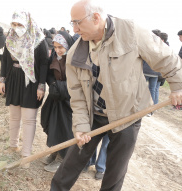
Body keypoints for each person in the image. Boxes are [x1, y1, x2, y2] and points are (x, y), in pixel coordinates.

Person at [50, 0, 182, 190]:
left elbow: (165, 57)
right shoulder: (74, 55)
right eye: (72, 23)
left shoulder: (131, 32)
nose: (75, 29)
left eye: (77, 22)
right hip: (93, 114)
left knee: (115, 173)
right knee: (71, 162)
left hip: (127, 113)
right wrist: (80, 125)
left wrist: (178, 86)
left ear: (96, 17)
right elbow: (77, 96)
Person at [0, 10, 49, 168]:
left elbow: (43, 64)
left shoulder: (39, 40)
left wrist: (41, 85)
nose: (16, 27)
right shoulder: (10, 39)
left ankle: (26, 155)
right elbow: (5, 60)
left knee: (28, 119)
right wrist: (2, 80)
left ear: (27, 23)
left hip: (31, 81)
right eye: (14, 24)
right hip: (14, 79)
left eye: (19, 24)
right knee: (14, 116)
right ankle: (13, 145)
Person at [40, 31, 74, 173]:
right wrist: (53, 84)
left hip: (68, 99)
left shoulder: (73, 59)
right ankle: (55, 151)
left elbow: (76, 80)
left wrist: (60, 87)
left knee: (64, 128)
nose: (58, 50)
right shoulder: (53, 56)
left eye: (61, 47)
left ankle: (62, 159)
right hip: (55, 97)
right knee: (50, 123)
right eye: (55, 47)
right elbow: (48, 73)